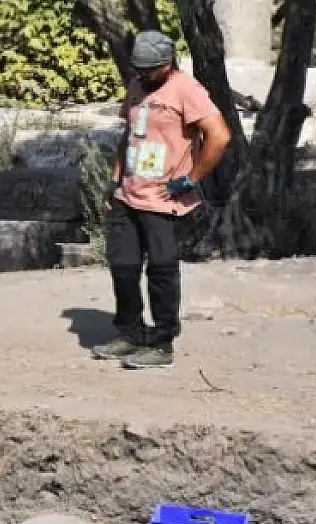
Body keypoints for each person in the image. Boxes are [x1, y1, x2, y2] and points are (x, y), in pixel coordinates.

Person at [92, 30, 231, 369]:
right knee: (123, 267)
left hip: (163, 198)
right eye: (138, 69)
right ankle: (130, 333)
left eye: (148, 69)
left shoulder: (187, 89)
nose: (142, 75)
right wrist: (114, 180)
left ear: (167, 64)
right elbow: (129, 134)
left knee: (161, 270)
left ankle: (162, 341)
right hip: (128, 194)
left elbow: (220, 135)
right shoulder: (138, 85)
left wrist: (191, 179)